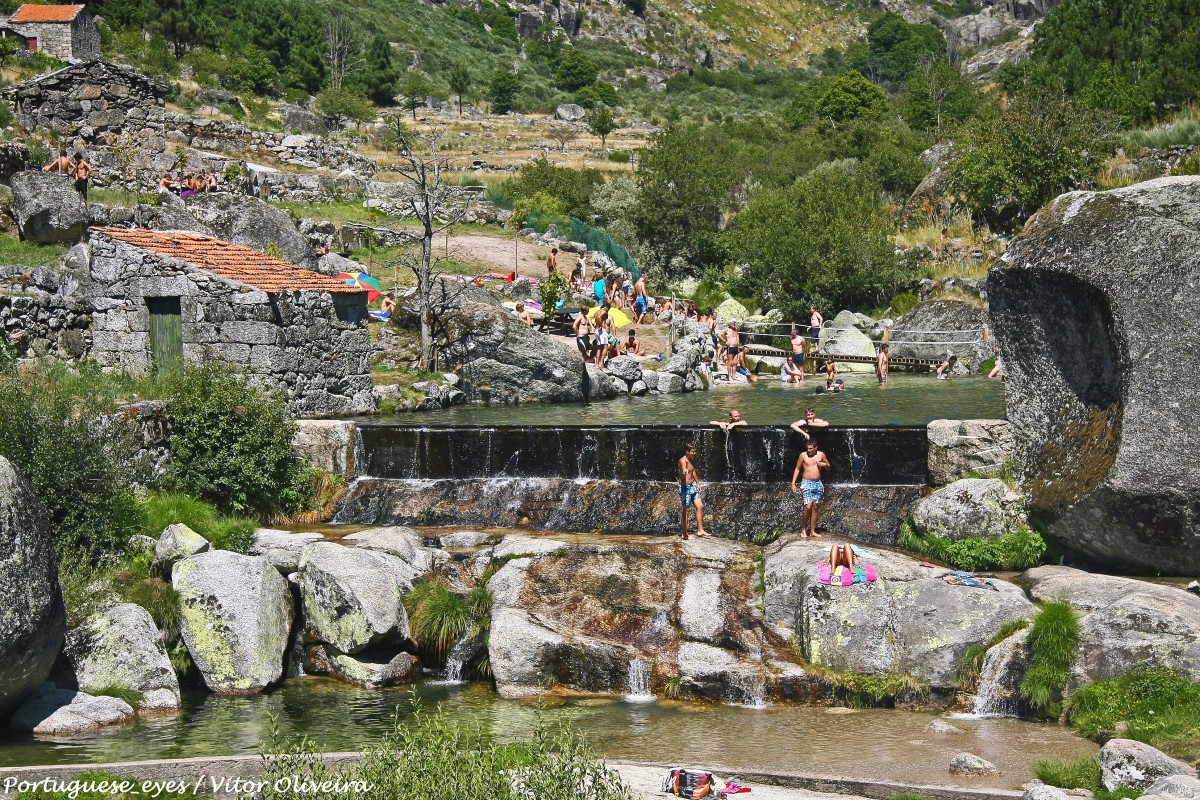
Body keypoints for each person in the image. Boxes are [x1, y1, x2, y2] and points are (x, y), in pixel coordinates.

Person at [791, 439, 831, 540]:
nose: (809, 451)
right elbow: (797, 468)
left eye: (811, 449)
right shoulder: (803, 455)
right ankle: (803, 529)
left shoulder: (821, 455)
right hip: (806, 483)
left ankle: (813, 531)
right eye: (807, 448)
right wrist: (793, 483)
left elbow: (829, 466)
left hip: (818, 483)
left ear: (816, 448)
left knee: (815, 507)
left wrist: (824, 465)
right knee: (808, 506)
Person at [677, 444, 707, 540]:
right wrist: (684, 470)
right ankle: (684, 534)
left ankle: (700, 530)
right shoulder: (683, 460)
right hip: (685, 488)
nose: (695, 453)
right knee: (686, 510)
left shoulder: (690, 460)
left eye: (695, 451)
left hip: (693, 486)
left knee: (700, 506)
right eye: (693, 451)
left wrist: (698, 483)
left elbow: (693, 471)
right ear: (687, 451)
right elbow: (684, 467)